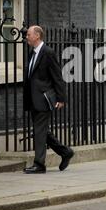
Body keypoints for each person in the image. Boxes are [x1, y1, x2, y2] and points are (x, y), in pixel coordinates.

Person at [23, 25, 74, 174]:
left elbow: (57, 77)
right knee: (42, 131)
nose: (26, 37)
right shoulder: (32, 53)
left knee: (39, 131)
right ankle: (65, 152)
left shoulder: (48, 53)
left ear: (37, 36)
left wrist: (61, 98)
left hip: (44, 99)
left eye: (29, 35)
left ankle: (39, 164)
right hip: (33, 99)